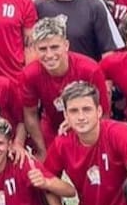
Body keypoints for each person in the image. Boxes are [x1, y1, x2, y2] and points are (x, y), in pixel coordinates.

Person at [20, 16, 109, 153]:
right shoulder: (29, 74)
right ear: (35, 49)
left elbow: (103, 113)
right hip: (51, 126)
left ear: (66, 45)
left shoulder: (90, 69)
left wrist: (84, 130)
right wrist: (42, 149)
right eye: (43, 49)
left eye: (55, 47)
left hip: (87, 126)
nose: (49, 55)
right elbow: (30, 114)